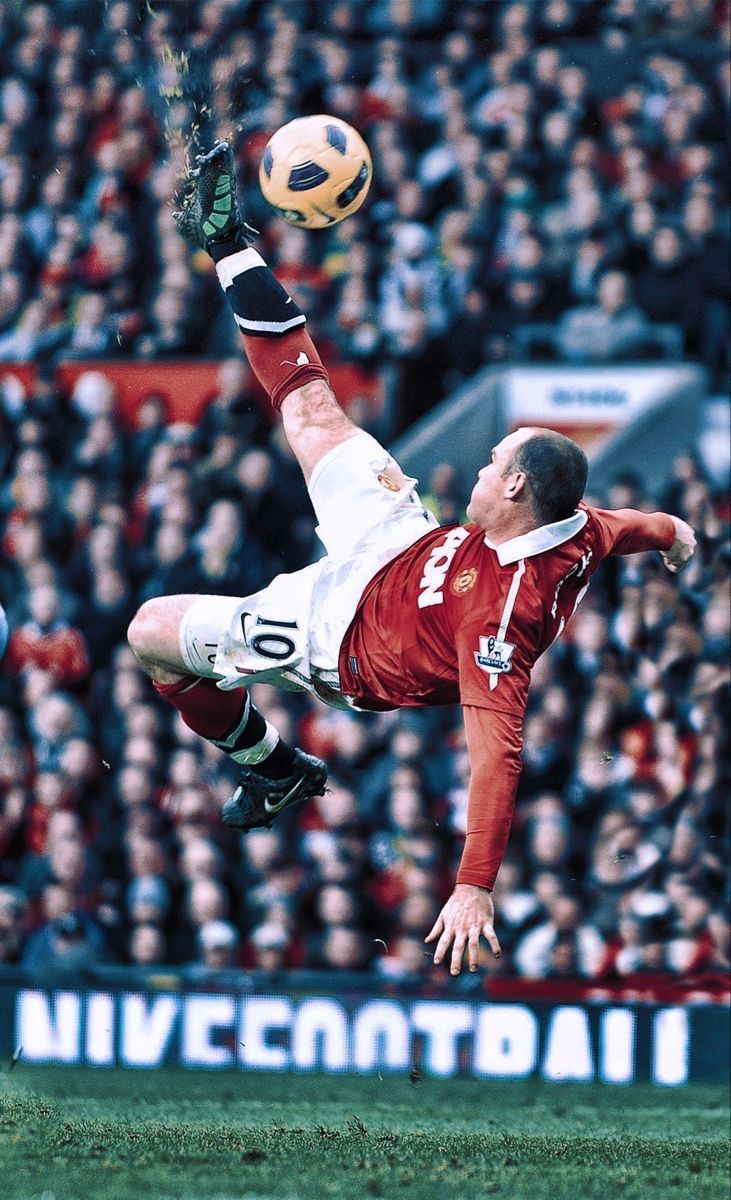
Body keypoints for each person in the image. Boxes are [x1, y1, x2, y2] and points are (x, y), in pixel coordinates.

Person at [127, 143, 696, 977]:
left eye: (487, 462)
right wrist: (675, 531)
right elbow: (628, 524)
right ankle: (228, 242)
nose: (473, 466)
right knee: (312, 408)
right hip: (401, 544)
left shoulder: (501, 618)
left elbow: (497, 753)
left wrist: (473, 885)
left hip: (344, 641)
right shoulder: (569, 523)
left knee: (151, 632)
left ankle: (271, 766)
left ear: (510, 490)